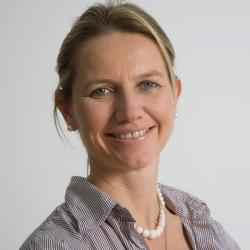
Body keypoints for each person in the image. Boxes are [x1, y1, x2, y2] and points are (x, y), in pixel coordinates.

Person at [20, 1, 240, 249]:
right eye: (102, 91)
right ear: (67, 110)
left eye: (147, 84)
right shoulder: (57, 245)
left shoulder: (200, 221)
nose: (130, 112)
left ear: (175, 94)